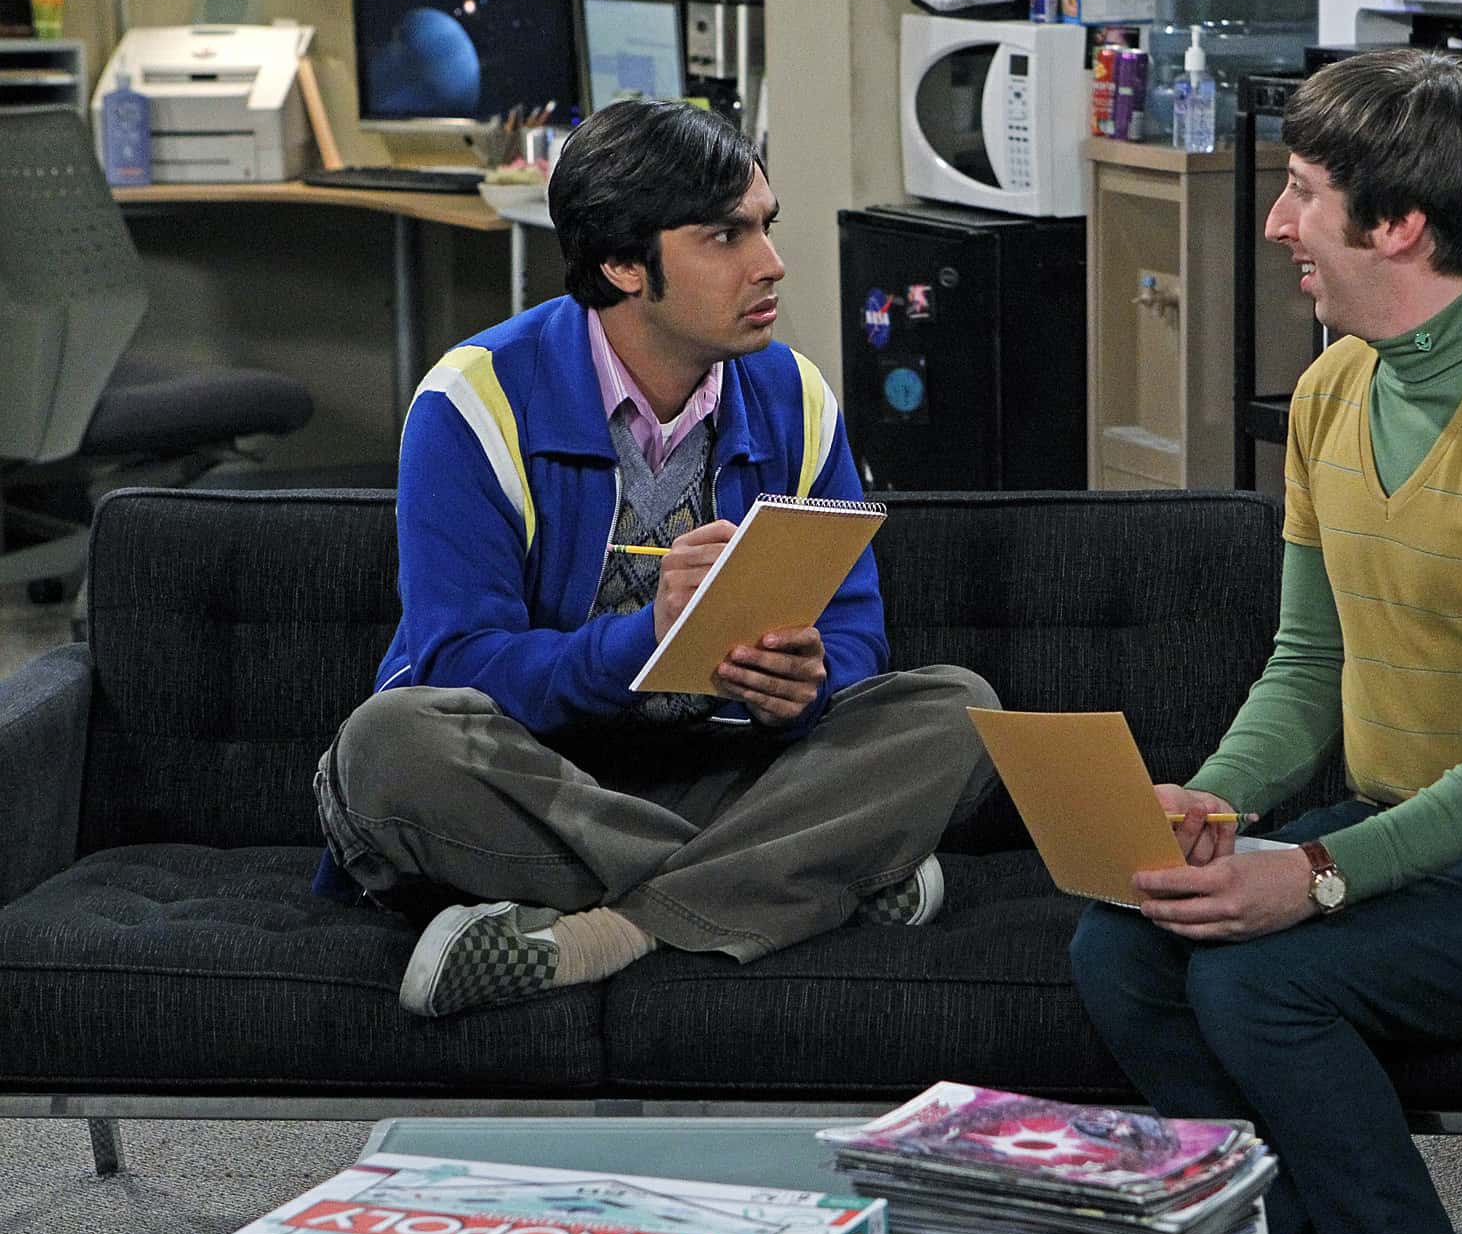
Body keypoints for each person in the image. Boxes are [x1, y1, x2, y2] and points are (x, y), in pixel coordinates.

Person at [1068, 49, 1462, 1234]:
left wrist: (1317, 874)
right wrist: (1214, 803)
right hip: (1397, 828)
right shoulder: (1332, 389)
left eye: (1301, 191)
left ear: (1396, 224)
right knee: (1120, 944)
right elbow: (1306, 661)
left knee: (1257, 984)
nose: (1277, 223)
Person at [311, 99, 997, 1018]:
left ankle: (608, 933)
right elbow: (456, 665)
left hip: (722, 771)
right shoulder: (473, 403)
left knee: (957, 709)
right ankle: (813, 879)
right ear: (623, 264)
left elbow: (854, 639)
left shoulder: (795, 396)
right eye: (725, 236)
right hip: (532, 781)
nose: (770, 262)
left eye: (765, 225)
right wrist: (645, 641)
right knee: (386, 746)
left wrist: (807, 684)